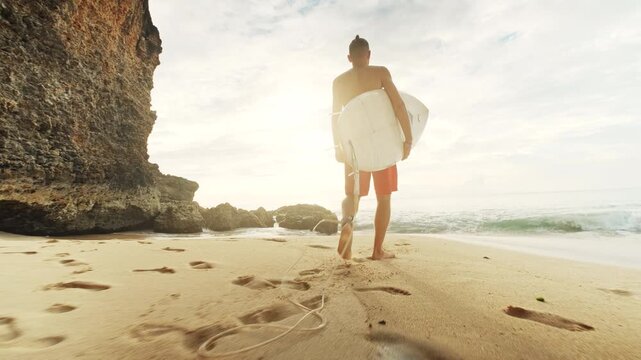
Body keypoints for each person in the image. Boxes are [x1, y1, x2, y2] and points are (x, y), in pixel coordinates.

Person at [331, 35, 412, 261]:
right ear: (369, 55)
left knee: (352, 196)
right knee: (383, 197)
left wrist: (338, 146)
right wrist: (408, 139)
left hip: (354, 146)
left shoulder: (339, 82)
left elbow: (336, 116)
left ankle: (347, 241)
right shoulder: (381, 73)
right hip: (382, 145)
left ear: (349, 58)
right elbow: (398, 104)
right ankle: (377, 251)